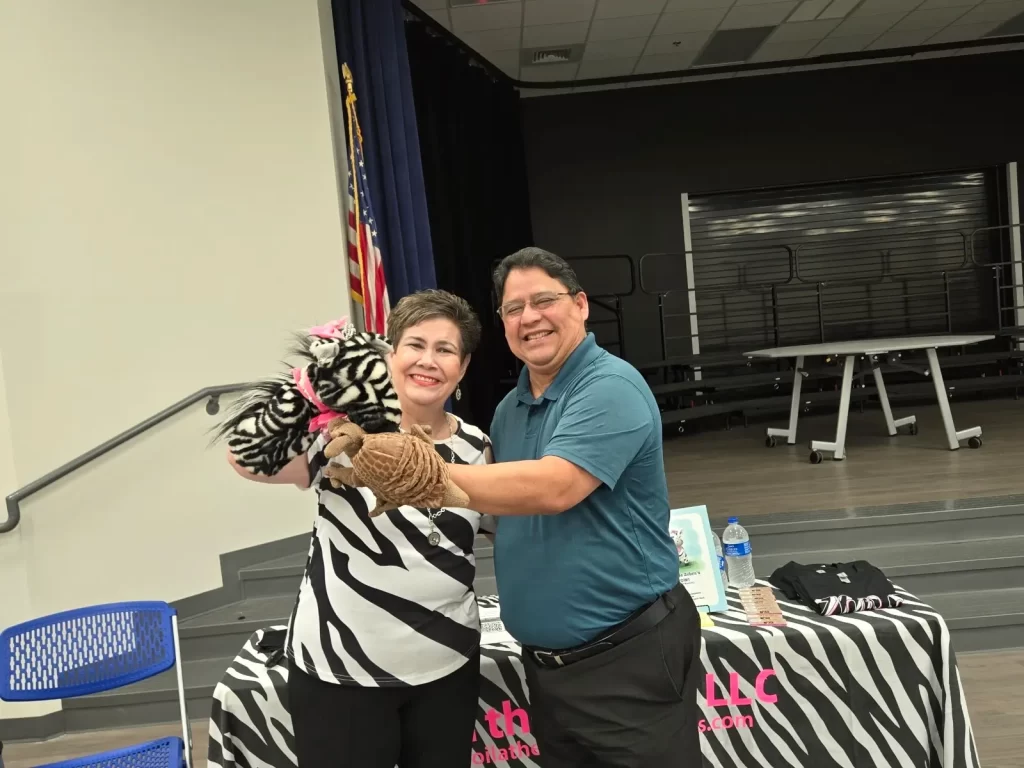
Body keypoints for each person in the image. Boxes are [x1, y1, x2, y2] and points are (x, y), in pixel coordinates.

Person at [441, 247, 702, 767]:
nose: (529, 317)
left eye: (544, 300)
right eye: (513, 309)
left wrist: (414, 474)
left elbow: (553, 488)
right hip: (549, 669)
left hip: (627, 658)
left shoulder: (610, 386)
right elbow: (503, 512)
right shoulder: (508, 411)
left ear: (581, 305)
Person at [227, 289, 494, 768]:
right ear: (390, 354)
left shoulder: (478, 446)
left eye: (445, 349)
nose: (427, 361)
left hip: (448, 670)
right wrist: (309, 390)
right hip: (340, 672)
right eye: (415, 345)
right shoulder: (339, 436)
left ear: (463, 366)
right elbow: (244, 459)